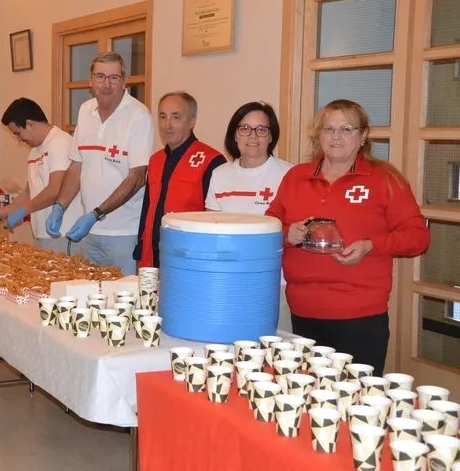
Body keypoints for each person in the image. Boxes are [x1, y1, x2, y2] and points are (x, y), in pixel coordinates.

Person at [266, 99, 430, 374]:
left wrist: (372, 246)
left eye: (346, 129)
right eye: (328, 129)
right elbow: (267, 228)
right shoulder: (296, 177)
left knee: (357, 405)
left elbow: (418, 237)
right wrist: (287, 233)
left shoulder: (384, 178)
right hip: (303, 313)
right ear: (318, 135)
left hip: (360, 316)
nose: (336, 136)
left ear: (363, 135)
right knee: (311, 399)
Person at [46, 52, 154, 276]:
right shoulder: (86, 111)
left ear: (124, 81)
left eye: (114, 78)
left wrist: (96, 214)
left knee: (121, 303)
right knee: (91, 298)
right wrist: (59, 206)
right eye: (100, 76)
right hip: (90, 234)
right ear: (90, 80)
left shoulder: (138, 115)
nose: (107, 84)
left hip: (124, 234)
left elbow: (137, 177)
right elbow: (77, 166)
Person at [204, 101, 293, 331]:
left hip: (273, 281)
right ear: (234, 134)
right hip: (227, 279)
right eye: (245, 128)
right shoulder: (220, 174)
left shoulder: (289, 175)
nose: (253, 136)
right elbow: (212, 229)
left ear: (271, 137)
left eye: (262, 129)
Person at [0, 98, 84, 254]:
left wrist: (23, 211)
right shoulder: (34, 151)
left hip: (63, 235)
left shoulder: (60, 142)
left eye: (18, 133)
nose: (19, 140)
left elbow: (55, 189)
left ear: (29, 124)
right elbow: (28, 193)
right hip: (42, 236)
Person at [134, 92, 226, 268]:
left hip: (188, 259)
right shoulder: (155, 160)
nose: (167, 125)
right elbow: (147, 209)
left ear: (192, 121)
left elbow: (215, 220)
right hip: (151, 258)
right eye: (162, 117)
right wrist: (140, 249)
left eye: (175, 117)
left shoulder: (211, 161)